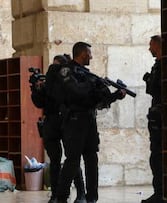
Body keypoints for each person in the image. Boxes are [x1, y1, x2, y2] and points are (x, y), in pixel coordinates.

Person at [48, 42, 126, 203]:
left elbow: (98, 101)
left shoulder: (88, 74)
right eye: (89, 53)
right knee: (72, 161)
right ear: (82, 53)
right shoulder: (66, 71)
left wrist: (115, 95)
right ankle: (61, 198)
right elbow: (76, 92)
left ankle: (92, 198)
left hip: (89, 121)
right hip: (74, 122)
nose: (91, 56)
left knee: (92, 159)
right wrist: (93, 84)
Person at [30, 54, 86, 203]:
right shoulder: (48, 84)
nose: (52, 70)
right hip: (51, 123)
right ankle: (55, 195)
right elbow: (39, 103)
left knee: (72, 160)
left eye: (56, 67)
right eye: (52, 67)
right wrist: (36, 89)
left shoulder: (68, 83)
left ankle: (81, 193)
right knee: (54, 160)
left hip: (67, 122)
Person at [142, 35, 163, 203]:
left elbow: (154, 87)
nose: (149, 48)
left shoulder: (162, 65)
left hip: (161, 114)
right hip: (157, 113)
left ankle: (161, 192)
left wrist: (149, 79)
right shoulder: (158, 65)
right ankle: (159, 191)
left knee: (157, 156)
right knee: (155, 156)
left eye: (151, 45)